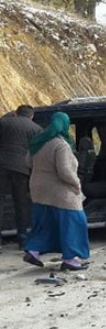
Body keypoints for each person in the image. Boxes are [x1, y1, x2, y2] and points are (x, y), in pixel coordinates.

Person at [22, 112, 90, 271]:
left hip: (39, 189)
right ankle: (70, 259)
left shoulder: (38, 142)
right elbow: (64, 171)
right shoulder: (61, 145)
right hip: (61, 192)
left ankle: (33, 251)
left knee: (46, 224)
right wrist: (76, 183)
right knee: (74, 222)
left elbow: (27, 162)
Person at [0, 105, 43, 249]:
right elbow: (37, 152)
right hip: (21, 170)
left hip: (1, 167)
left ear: (16, 113)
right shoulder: (36, 128)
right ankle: (22, 238)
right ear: (31, 116)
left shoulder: (4, 122)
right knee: (21, 204)